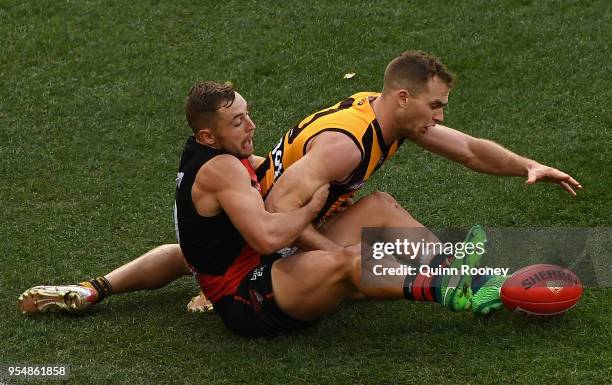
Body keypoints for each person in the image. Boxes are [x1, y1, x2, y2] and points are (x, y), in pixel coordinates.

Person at [19, 51, 581, 319]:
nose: (439, 117)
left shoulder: (382, 114)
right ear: (404, 98)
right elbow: (275, 224)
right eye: (435, 106)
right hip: (257, 272)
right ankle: (446, 285)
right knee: (348, 261)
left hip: (252, 238)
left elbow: (467, 148)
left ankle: (459, 273)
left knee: (379, 208)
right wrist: (341, 254)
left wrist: (526, 164)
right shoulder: (344, 146)